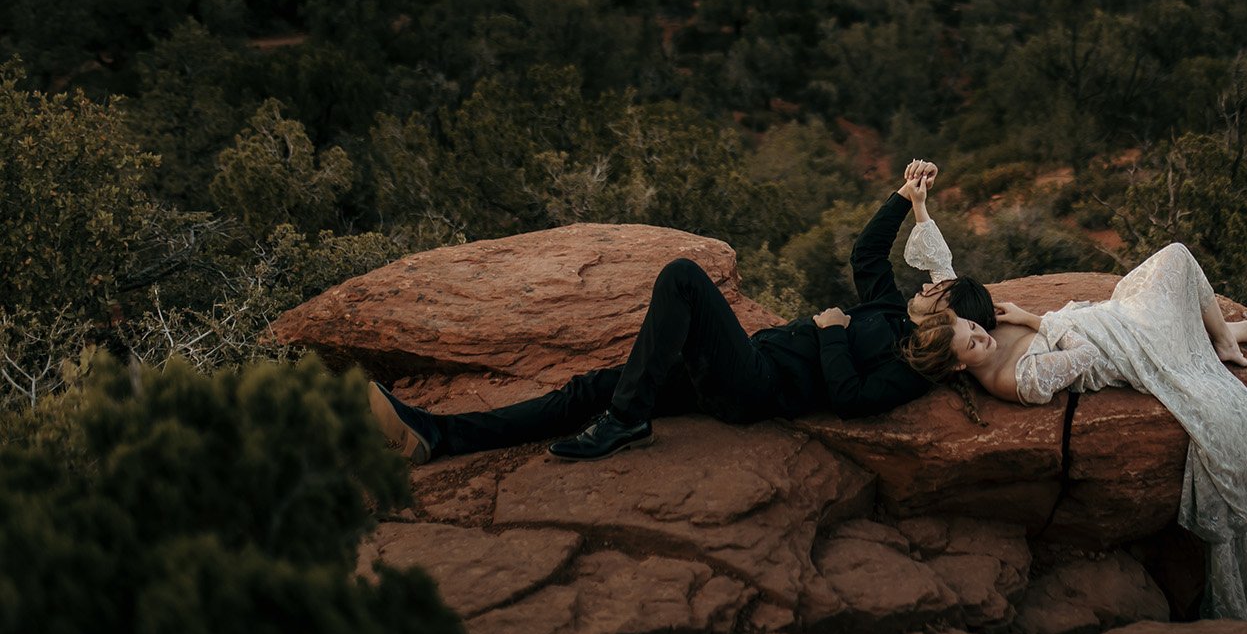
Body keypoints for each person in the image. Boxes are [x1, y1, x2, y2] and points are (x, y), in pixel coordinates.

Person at [367, 160, 995, 464]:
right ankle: (436, 435)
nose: (928, 285)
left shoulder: (910, 366)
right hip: (746, 359)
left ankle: (626, 421)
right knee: (591, 387)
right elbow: (865, 253)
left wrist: (831, 334)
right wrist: (903, 196)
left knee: (683, 278)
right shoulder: (889, 307)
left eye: (939, 290)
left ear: (947, 316)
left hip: (756, 387)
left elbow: (851, 400)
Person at [900, 226, 1247, 622]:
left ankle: (1233, 333)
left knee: (1173, 265)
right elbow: (1085, 355)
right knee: (1177, 258)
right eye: (971, 341)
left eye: (972, 327)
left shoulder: (959, 334)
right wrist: (1035, 320)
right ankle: (1226, 339)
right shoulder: (1016, 379)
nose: (980, 335)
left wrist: (918, 206)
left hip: (1107, 319)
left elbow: (945, 279)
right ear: (958, 366)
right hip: (1122, 346)